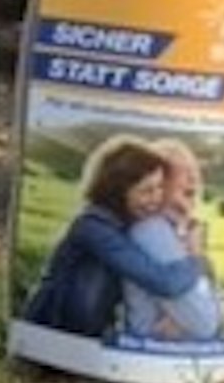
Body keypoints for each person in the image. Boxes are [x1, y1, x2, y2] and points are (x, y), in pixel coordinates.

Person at [22, 137, 210, 339]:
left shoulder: (126, 225)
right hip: (53, 331)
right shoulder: (94, 228)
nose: (156, 199)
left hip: (85, 337)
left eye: (160, 187)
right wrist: (195, 256)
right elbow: (164, 283)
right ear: (118, 192)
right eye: (146, 191)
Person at [121, 139, 224, 342]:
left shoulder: (178, 232)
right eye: (184, 171)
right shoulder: (151, 231)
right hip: (153, 357)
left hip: (172, 356)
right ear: (160, 181)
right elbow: (204, 324)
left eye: (196, 171)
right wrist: (195, 256)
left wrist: (209, 313)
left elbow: (222, 305)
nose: (194, 179)